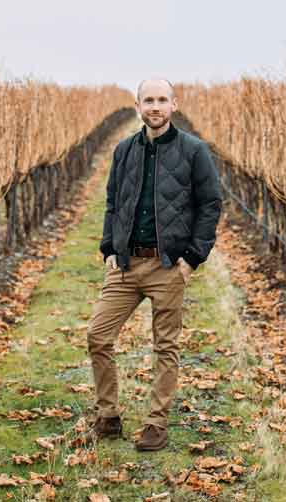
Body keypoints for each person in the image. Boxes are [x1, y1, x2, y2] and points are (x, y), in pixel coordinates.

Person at [86, 78, 222, 451]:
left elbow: (211, 204)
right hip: (127, 266)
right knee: (97, 336)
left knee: (165, 347)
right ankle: (109, 415)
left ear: (174, 104)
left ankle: (155, 424)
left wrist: (192, 259)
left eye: (162, 99)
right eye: (149, 100)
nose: (156, 106)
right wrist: (109, 247)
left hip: (167, 267)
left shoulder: (194, 151)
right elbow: (113, 202)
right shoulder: (124, 150)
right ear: (138, 105)